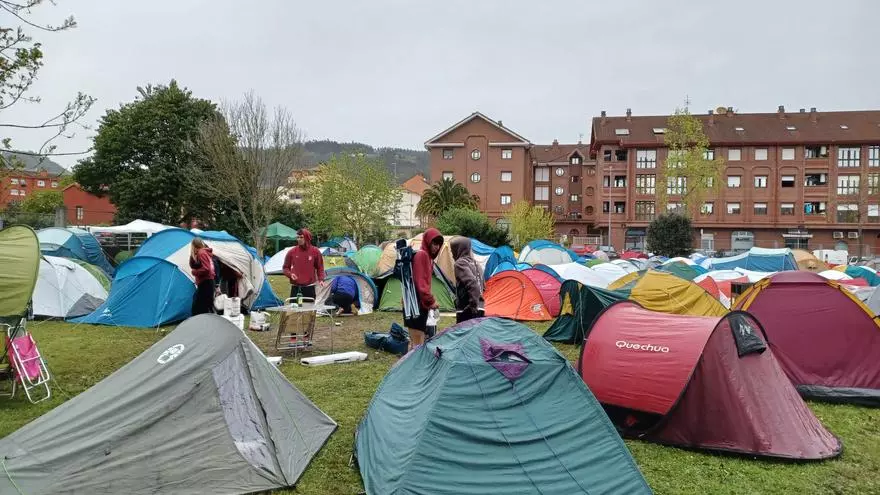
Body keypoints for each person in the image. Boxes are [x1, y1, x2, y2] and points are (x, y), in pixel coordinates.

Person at [406, 228, 443, 349]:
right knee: (417, 343)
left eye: (439, 244)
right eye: (434, 243)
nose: (437, 247)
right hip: (415, 304)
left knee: (417, 341)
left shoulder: (428, 258)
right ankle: (413, 367)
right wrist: (431, 301)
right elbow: (421, 284)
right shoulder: (422, 255)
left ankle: (412, 366)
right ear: (428, 242)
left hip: (418, 304)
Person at [282, 228, 326, 302]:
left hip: (309, 287)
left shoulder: (315, 251)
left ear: (307, 238)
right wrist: (290, 274)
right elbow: (285, 268)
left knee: (309, 311)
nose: (299, 239)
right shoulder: (292, 252)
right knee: (294, 311)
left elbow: (320, 267)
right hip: (296, 287)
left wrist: (321, 279)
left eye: (301, 237)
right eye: (298, 237)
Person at [451, 237, 484, 323]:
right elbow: (483, 286)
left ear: (459, 249)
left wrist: (472, 304)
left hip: (467, 308)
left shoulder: (460, 263)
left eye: (453, 251)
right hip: (481, 307)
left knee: (464, 335)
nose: (452, 255)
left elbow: (472, 283)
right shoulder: (477, 264)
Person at [189, 238, 216, 316]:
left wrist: (195, 272)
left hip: (206, 282)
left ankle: (200, 324)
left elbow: (207, 269)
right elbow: (193, 265)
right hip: (207, 282)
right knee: (203, 305)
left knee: (198, 307)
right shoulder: (204, 253)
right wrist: (192, 255)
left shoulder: (202, 253)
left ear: (194, 245)